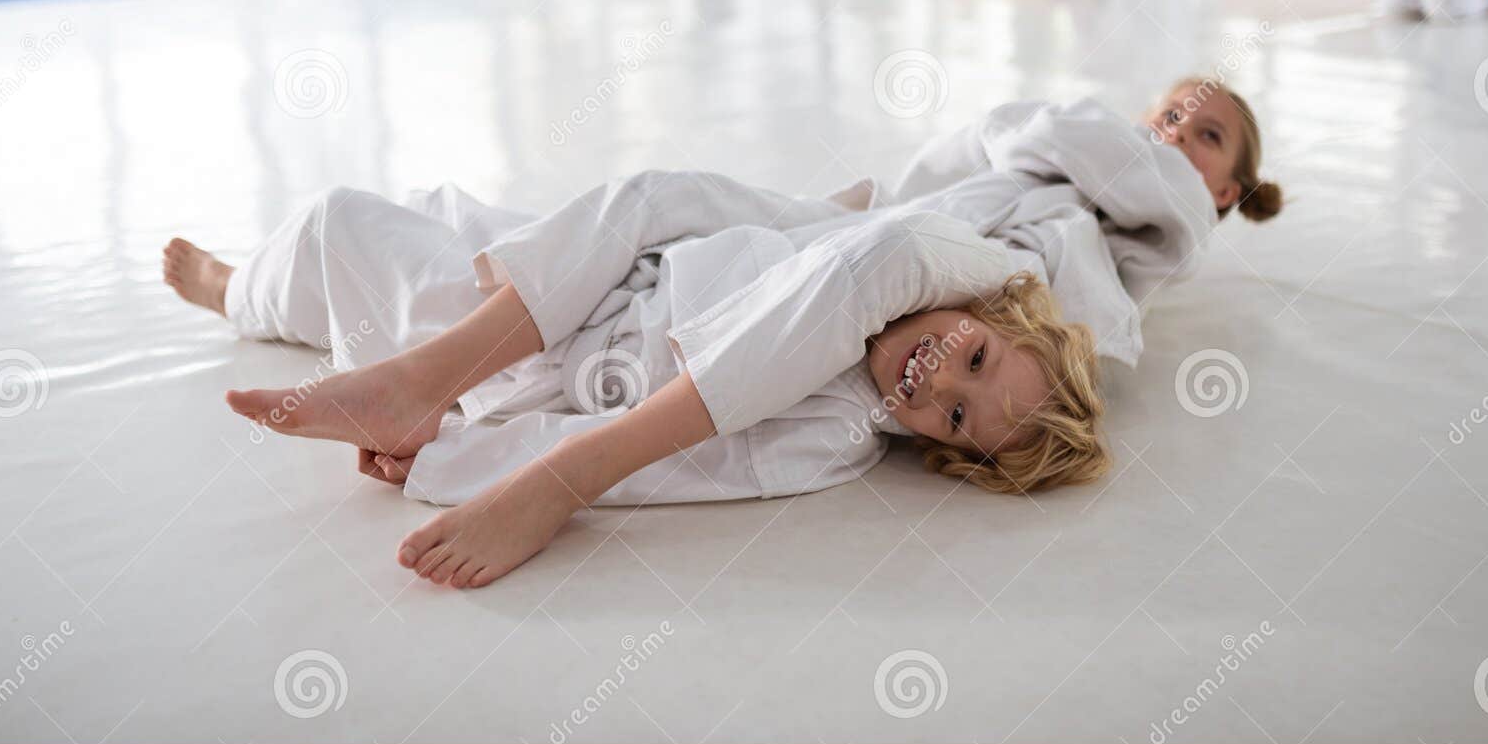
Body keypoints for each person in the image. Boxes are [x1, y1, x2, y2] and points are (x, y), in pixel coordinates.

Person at [165, 173, 1105, 589]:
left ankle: (256, 302)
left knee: (354, 244)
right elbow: (686, 206)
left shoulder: (832, 435)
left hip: (559, 385)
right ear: (988, 314)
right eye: (975, 360)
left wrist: (451, 456)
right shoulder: (874, 254)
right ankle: (241, 286)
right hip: (570, 288)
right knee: (376, 220)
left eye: (952, 415)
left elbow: (676, 469)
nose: (938, 378)